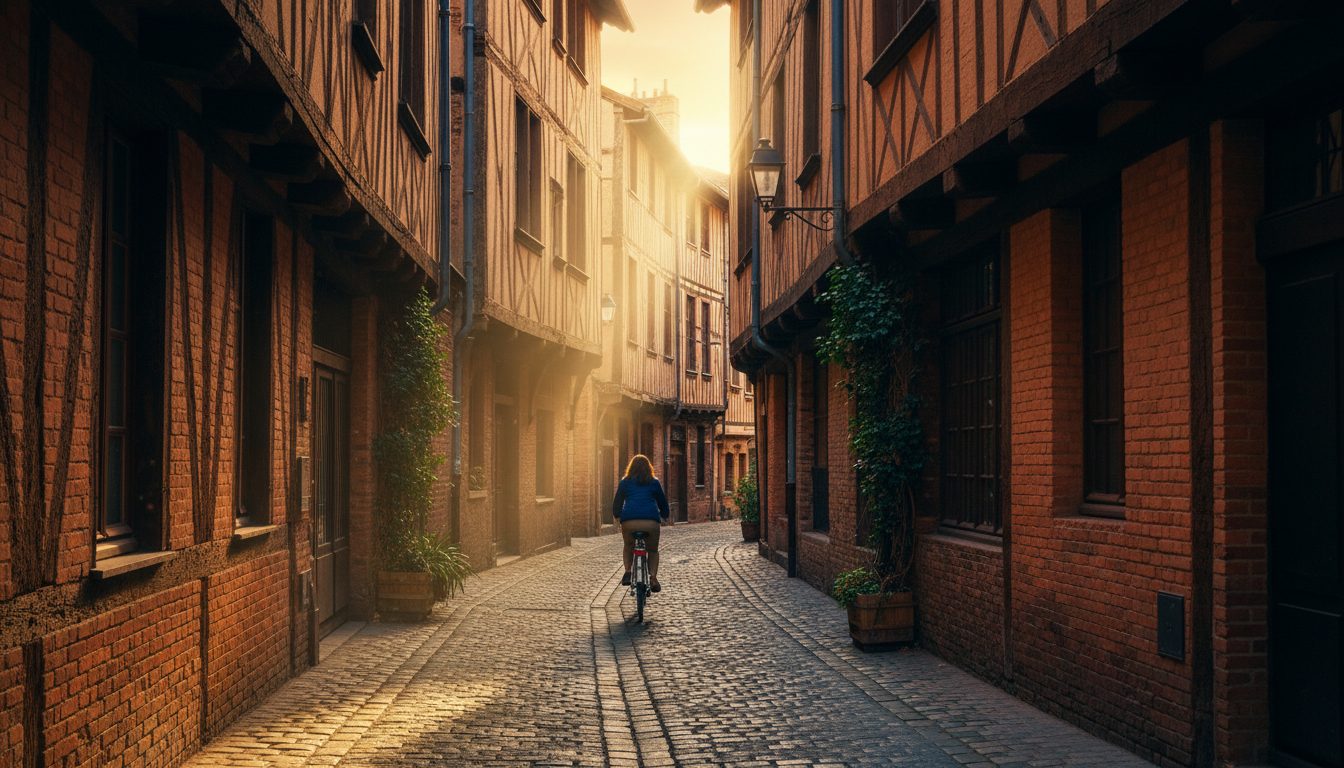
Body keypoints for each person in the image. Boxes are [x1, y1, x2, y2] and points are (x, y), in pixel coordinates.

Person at [612, 454, 670, 592]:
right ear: (648, 468)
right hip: (650, 522)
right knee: (653, 550)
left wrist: (617, 515)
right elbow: (662, 502)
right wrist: (665, 515)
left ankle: (627, 572)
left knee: (628, 545)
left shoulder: (624, 482)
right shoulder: (654, 482)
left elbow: (617, 503)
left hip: (629, 521)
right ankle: (653, 578)